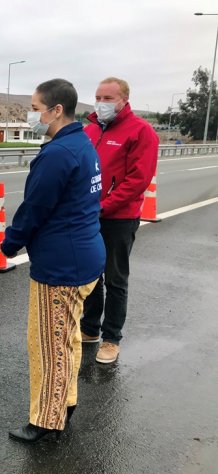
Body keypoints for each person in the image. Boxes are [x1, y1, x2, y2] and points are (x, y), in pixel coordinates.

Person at [0, 79, 105, 443]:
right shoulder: (82, 143)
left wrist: (10, 243)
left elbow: (35, 209)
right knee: (68, 338)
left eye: (35, 107)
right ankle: (66, 401)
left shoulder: (58, 153)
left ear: (55, 110)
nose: (32, 115)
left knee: (48, 344)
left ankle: (47, 420)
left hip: (62, 267)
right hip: (83, 255)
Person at [80, 77, 158, 364]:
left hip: (119, 218)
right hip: (89, 216)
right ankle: (89, 329)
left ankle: (111, 338)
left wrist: (104, 206)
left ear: (124, 100)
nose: (101, 103)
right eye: (98, 97)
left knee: (115, 279)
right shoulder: (89, 130)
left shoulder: (141, 132)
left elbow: (138, 180)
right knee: (90, 276)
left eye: (108, 98)